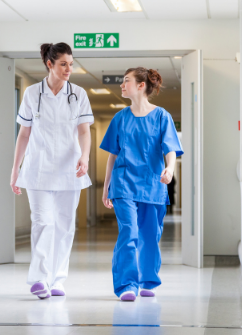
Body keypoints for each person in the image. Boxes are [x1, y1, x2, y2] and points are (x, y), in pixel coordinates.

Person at [10, 42, 94, 299]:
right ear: (49, 64)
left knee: (65, 226)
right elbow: (24, 134)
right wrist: (15, 169)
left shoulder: (77, 94)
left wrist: (85, 157)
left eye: (71, 63)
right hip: (38, 169)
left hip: (70, 169)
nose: (69, 68)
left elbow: (83, 131)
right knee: (43, 222)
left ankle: (58, 279)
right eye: (63, 64)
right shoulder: (32, 94)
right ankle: (39, 278)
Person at [100, 67, 183, 301]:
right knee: (129, 231)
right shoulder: (120, 118)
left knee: (149, 236)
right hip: (123, 184)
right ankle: (126, 285)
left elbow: (170, 150)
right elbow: (112, 156)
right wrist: (106, 186)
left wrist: (170, 169)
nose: (122, 85)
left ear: (141, 86)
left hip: (152, 185)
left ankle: (147, 280)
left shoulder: (161, 116)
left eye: (126, 81)